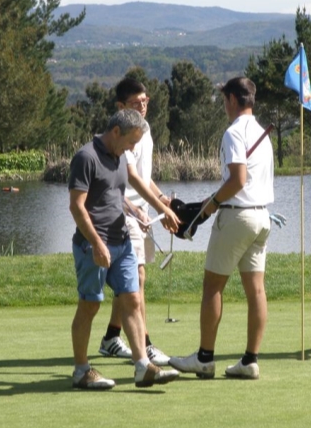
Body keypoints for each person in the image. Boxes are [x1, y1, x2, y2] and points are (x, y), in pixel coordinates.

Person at [169, 77, 274, 380]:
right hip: (261, 217)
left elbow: (238, 180)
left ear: (231, 99)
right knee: (256, 290)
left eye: (223, 99)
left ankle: (204, 358)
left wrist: (210, 205)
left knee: (213, 287)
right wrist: (211, 202)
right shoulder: (262, 134)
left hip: (236, 217)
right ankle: (250, 360)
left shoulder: (233, 133)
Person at [68, 108, 181, 389]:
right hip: (92, 245)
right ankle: (81, 370)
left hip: (122, 242)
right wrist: (96, 243)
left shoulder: (120, 157)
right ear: (115, 131)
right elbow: (76, 206)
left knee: (132, 300)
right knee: (90, 304)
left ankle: (142, 366)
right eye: (131, 142)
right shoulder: (86, 157)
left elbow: (119, 193)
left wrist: (152, 210)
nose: (133, 148)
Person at [98, 78, 174, 366]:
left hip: (143, 212)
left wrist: (160, 198)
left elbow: (144, 177)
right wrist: (147, 208)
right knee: (136, 277)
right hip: (125, 212)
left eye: (146, 101)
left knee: (129, 279)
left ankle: (111, 338)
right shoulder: (120, 134)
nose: (142, 106)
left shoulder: (146, 130)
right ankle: (144, 343)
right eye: (136, 103)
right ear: (121, 106)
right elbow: (128, 179)